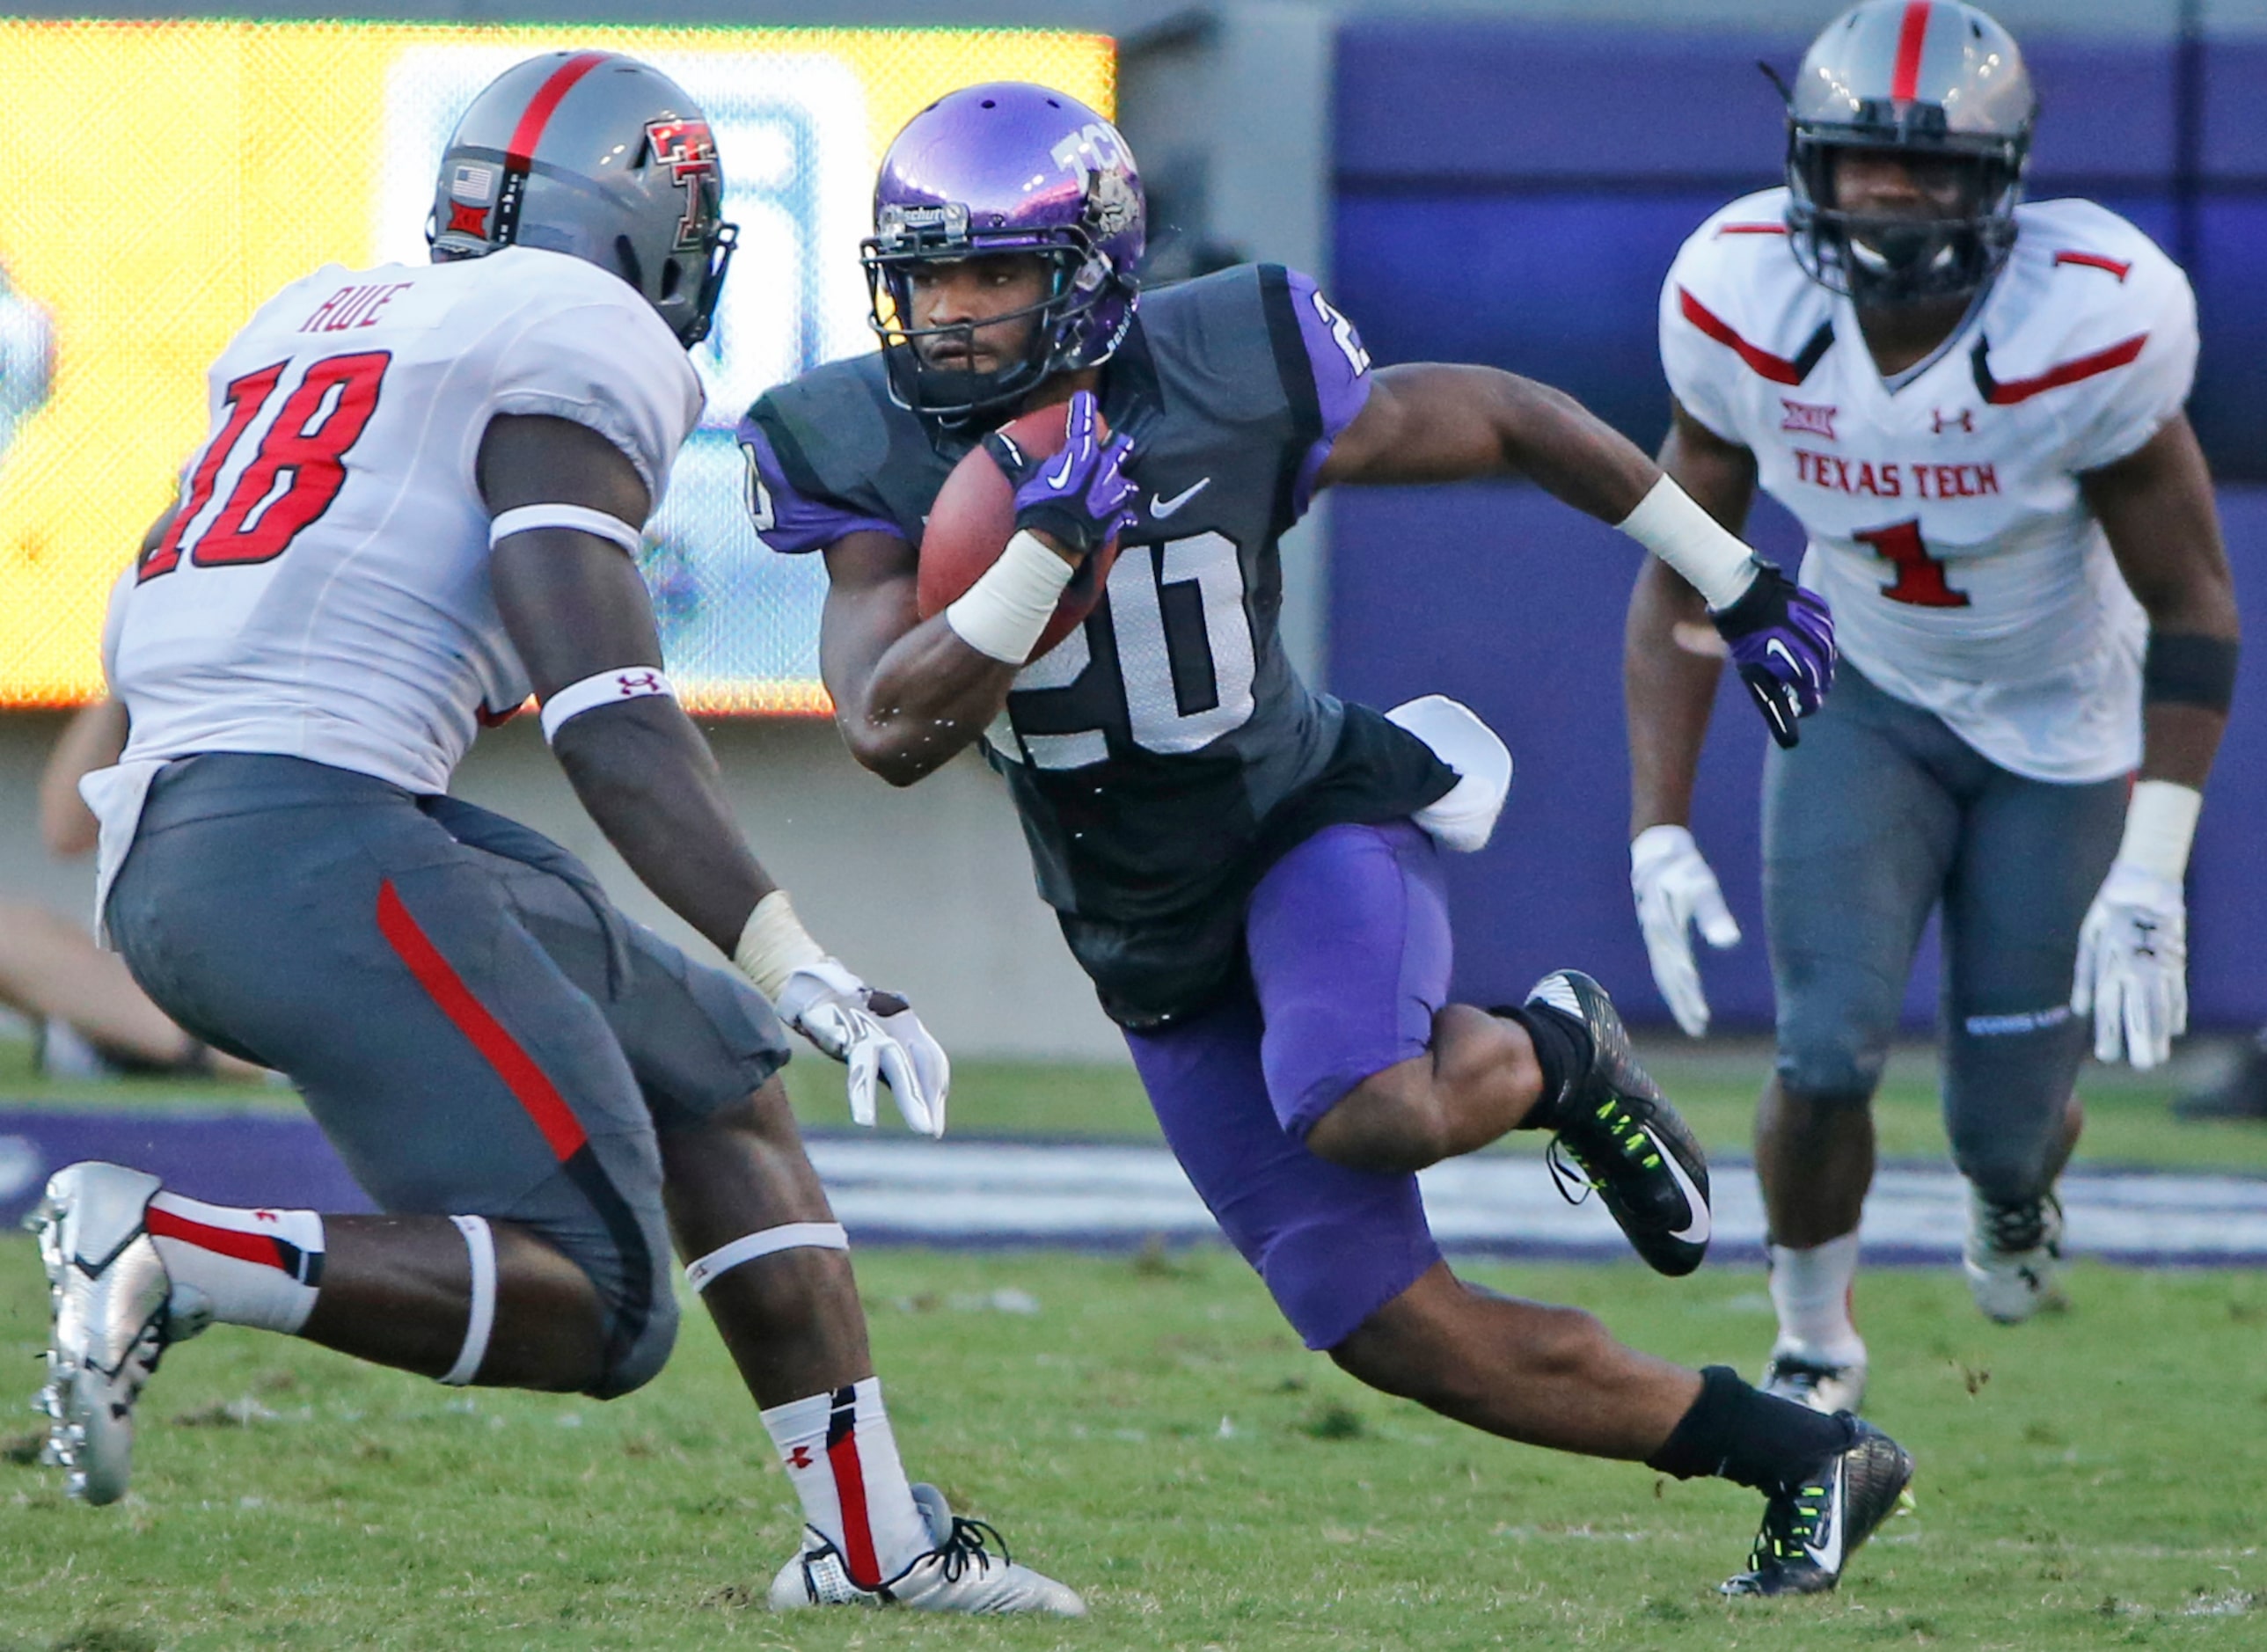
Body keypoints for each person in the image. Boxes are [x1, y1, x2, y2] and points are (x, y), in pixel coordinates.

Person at [740, 81, 1911, 1598]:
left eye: (994, 275)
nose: (953, 317)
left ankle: (1550, 1058)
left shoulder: (1227, 363)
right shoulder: (856, 443)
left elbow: (1498, 411)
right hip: (1135, 922)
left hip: (1304, 817)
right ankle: (1800, 1451)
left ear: (1090, 271)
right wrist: (1037, 554)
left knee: (1358, 1100)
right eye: (928, 279)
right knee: (1385, 1327)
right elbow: (885, 726)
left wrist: (1731, 576)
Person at [32, 51, 1079, 1617]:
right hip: (301, 840)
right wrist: (793, 946)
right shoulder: (579, 335)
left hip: (241, 828)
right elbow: (608, 710)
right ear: (643, 222)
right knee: (597, 1301)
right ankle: (167, 1246)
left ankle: (870, 1547)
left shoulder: (324, 323)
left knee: (718, 1072)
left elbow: (157, 622)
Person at [1624, 1, 2239, 1414]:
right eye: (1860, 165)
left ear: (2002, 179)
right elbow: (1680, 574)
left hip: (2060, 726)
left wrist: (2151, 867)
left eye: (1934, 170)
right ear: (1805, 165)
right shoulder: (1737, 296)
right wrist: (1656, 824)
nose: (1892, 199)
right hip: (1866, 691)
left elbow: (2195, 606)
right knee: (1822, 1045)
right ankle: (1810, 1339)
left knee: (2000, 1128)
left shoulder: (2093, 317)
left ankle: (2014, 1198)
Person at [1, 698, 273, 1081]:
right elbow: (65, 833)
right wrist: (118, 683)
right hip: (166, 972)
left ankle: (237, 1053)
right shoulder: (157, 676)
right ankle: (177, 1045)